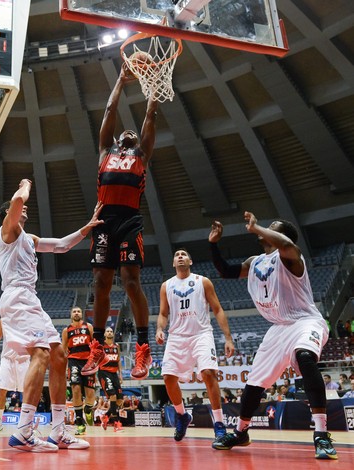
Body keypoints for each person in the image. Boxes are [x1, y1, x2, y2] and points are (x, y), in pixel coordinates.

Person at [208, 213, 337, 459]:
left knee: (304, 358)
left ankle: (321, 434)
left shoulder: (290, 256)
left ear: (281, 235)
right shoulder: (255, 261)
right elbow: (226, 271)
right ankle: (241, 432)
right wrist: (213, 245)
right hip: (278, 328)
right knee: (254, 384)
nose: (265, 230)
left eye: (271, 228)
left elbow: (286, 245)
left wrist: (256, 227)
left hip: (304, 320)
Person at [0, 178, 101, 452]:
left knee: (59, 356)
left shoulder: (29, 239)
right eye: (20, 209)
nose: (25, 209)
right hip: (17, 298)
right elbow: (17, 201)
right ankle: (24, 431)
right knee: (40, 355)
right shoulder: (8, 231)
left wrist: (86, 229)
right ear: (8, 216)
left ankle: (59, 431)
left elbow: (61, 245)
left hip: (30, 300)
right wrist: (25, 185)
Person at [84, 62, 159, 380]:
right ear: (116, 140)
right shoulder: (105, 151)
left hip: (128, 219)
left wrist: (154, 86)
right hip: (104, 221)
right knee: (101, 284)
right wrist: (120, 80)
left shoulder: (141, 155)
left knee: (130, 282)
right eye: (123, 132)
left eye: (133, 132)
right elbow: (109, 112)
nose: (128, 132)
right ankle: (97, 346)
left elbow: (150, 117)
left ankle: (143, 348)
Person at [156, 248, 234, 445]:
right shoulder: (167, 286)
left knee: (208, 373)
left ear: (190, 261)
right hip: (176, 336)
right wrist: (159, 328)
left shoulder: (203, 281)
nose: (180, 256)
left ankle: (219, 424)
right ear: (173, 263)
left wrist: (228, 338)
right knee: (168, 378)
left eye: (184, 254)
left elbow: (217, 309)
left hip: (201, 334)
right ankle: (182, 415)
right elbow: (163, 313)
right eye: (176, 255)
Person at [0, 320, 30, 435]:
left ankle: (26, 424)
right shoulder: (4, 320)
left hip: (23, 359)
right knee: (2, 390)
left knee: (26, 392)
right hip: (7, 359)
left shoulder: (26, 318)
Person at [61, 307, 96, 434]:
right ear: (71, 315)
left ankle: (88, 409)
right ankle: (80, 422)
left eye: (78, 311)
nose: (76, 313)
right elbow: (63, 351)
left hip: (88, 361)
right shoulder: (66, 330)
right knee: (75, 390)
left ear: (82, 314)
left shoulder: (89, 327)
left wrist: (94, 360)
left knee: (90, 394)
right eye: (74, 311)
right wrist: (65, 368)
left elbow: (95, 345)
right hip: (73, 362)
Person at [98, 327, 124, 432]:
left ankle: (106, 416)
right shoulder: (101, 346)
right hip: (104, 372)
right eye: (108, 331)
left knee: (119, 400)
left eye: (111, 331)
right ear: (104, 334)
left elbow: (118, 361)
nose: (110, 332)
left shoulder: (117, 346)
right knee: (112, 396)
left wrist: (120, 374)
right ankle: (116, 423)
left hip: (114, 373)